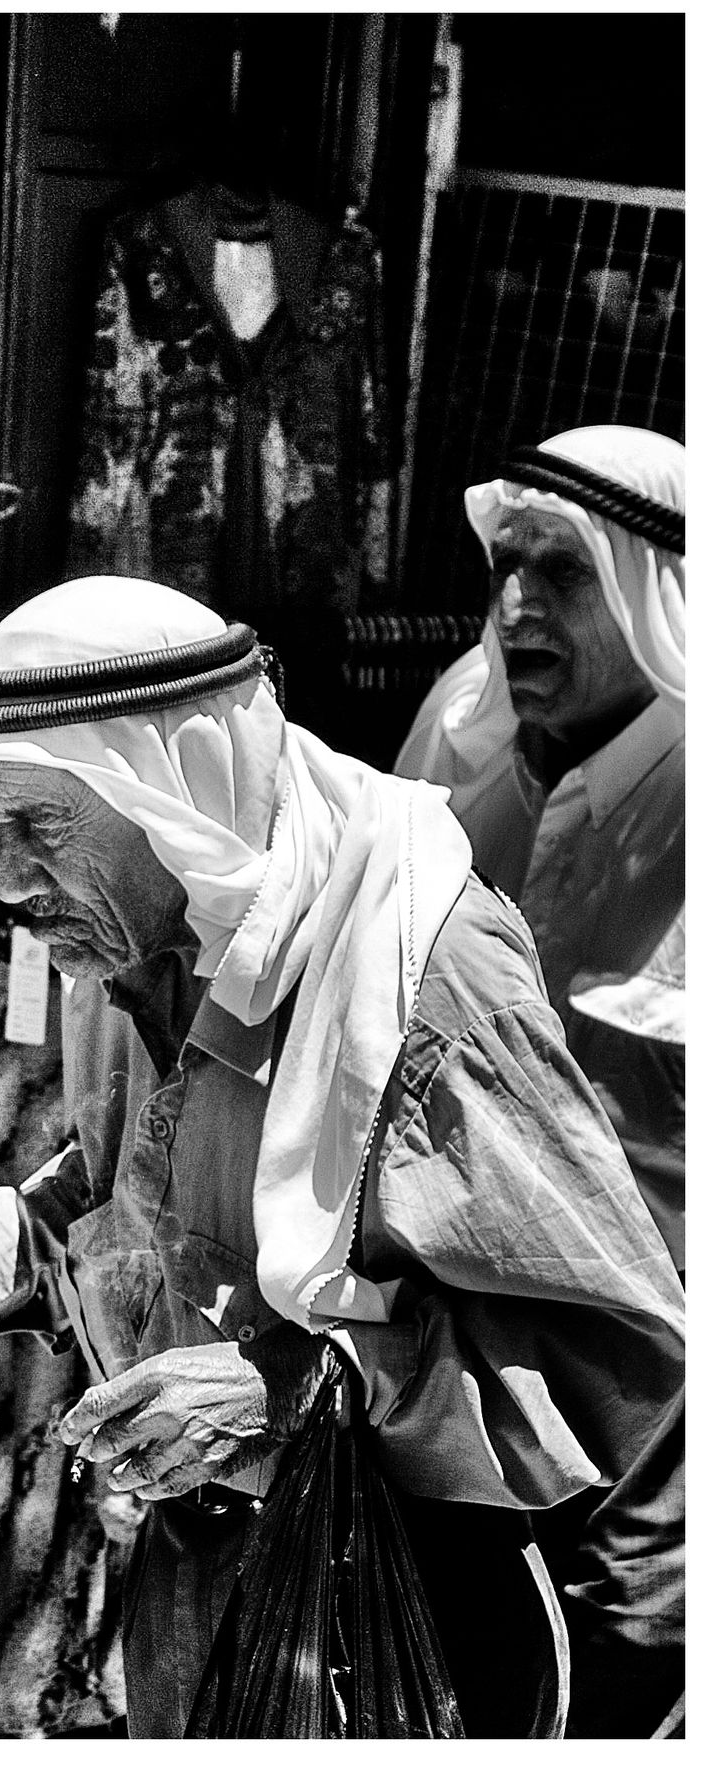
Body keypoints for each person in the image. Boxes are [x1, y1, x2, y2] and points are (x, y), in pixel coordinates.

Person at [0, 575, 684, 1738]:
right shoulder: (142, 943)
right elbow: (128, 1186)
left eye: (45, 827)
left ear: (180, 789)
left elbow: (616, 1349)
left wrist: (291, 1387)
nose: (12, 884)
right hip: (198, 1613)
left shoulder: (425, 976)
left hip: (398, 1636)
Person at [395, 426, 685, 1736]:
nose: (517, 605)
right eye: (504, 567)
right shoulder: (461, 765)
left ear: (652, 592)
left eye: (561, 572)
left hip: (652, 1448)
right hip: (446, 1416)